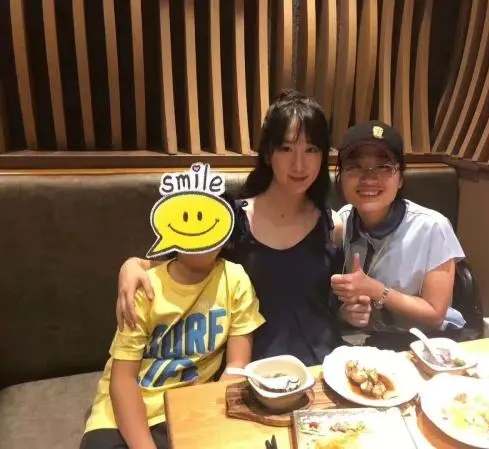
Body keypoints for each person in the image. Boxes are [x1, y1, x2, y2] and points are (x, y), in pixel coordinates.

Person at [114, 90, 371, 367]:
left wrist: (348, 313)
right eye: (286, 149)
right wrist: (132, 265)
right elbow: (176, 268)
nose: (299, 164)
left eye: (311, 149)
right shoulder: (231, 220)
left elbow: (320, 308)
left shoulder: (332, 225)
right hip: (252, 371)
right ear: (268, 154)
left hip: (323, 367)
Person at [80, 193, 265, 449]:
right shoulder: (144, 286)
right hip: (119, 417)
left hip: (189, 410)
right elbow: (123, 381)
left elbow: (236, 365)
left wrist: (215, 419)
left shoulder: (234, 279)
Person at [330, 120, 467, 351]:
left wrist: (375, 290)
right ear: (341, 176)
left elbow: (435, 315)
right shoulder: (342, 222)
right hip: (370, 343)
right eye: (355, 167)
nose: (369, 178)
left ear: (401, 178)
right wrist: (346, 313)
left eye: (383, 167)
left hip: (427, 345)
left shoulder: (432, 227)